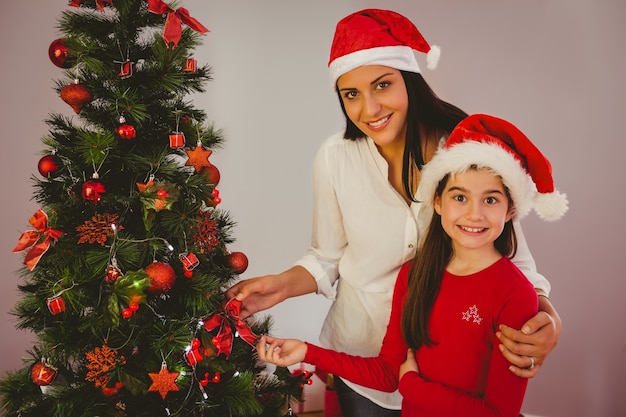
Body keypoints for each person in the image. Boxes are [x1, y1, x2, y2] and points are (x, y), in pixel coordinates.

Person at [226, 9, 562, 416]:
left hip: (450, 370)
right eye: (351, 94)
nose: (369, 109)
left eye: (382, 85)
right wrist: (281, 285)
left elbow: (512, 258)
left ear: (410, 81)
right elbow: (326, 257)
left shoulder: (467, 152)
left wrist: (547, 321)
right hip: (359, 357)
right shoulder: (335, 158)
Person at [256, 113, 569, 417]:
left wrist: (413, 386)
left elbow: (498, 411)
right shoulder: (415, 275)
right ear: (437, 201)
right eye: (460, 197)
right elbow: (388, 372)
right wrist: (306, 352)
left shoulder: (516, 295)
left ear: (510, 209)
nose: (474, 214)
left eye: (490, 200)